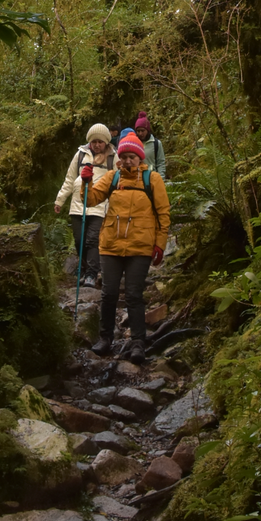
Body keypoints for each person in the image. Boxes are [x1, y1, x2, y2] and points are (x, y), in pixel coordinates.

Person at [79, 135, 170, 365]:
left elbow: (163, 214)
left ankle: (139, 343)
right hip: (111, 245)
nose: (128, 161)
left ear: (140, 158)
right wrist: (86, 182)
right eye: (124, 157)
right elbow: (90, 200)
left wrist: (160, 243)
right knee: (108, 294)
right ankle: (105, 338)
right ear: (119, 158)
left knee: (133, 295)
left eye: (132, 157)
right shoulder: (113, 177)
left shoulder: (153, 179)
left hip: (140, 247)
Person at [55, 123, 115, 288]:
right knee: (79, 239)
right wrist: (60, 200)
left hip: (99, 205)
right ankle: (84, 270)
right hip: (77, 204)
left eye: (100, 142)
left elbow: (118, 180)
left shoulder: (112, 157)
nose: (97, 145)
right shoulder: (80, 154)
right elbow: (69, 179)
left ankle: (91, 274)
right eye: (94, 141)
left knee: (92, 239)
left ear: (106, 143)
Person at [133, 110, 166, 178]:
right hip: (137, 178)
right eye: (138, 131)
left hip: (152, 178)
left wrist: (161, 179)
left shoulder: (156, 144)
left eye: (142, 131)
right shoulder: (134, 143)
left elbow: (161, 163)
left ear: (147, 130)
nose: (140, 133)